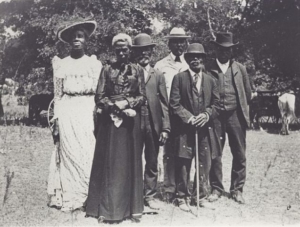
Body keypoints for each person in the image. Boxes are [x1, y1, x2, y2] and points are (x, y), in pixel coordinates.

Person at [85, 33, 146, 224]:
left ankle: (130, 209)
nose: (121, 52)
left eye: (125, 49)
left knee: (129, 163)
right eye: (118, 49)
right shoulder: (106, 70)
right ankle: (107, 210)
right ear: (114, 50)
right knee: (110, 164)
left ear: (130, 50)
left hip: (130, 124)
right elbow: (99, 95)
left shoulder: (137, 70)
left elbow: (142, 96)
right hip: (109, 124)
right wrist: (114, 107)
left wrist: (128, 103)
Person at [47, 20, 103, 211]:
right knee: (68, 151)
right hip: (68, 109)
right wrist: (56, 119)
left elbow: (98, 93)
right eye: (73, 37)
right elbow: (58, 95)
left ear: (86, 40)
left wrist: (97, 112)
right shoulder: (61, 64)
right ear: (69, 42)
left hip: (87, 109)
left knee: (87, 149)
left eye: (80, 36)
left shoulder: (94, 63)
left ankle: (88, 194)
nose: (76, 40)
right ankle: (70, 194)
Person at [169, 43, 221, 211]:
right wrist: (190, 118)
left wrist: (206, 115)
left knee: (203, 163)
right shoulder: (179, 78)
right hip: (184, 130)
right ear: (187, 59)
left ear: (203, 59)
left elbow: (217, 104)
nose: (195, 60)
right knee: (184, 162)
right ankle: (182, 196)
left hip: (205, 130)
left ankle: (200, 196)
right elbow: (174, 104)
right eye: (192, 57)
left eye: (199, 57)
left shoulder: (211, 80)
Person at [208, 32, 252, 204]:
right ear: (216, 49)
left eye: (228, 50)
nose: (225, 53)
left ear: (232, 51)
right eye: (221, 49)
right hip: (216, 116)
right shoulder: (208, 67)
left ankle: (237, 189)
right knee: (215, 153)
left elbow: (247, 94)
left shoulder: (240, 69)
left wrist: (238, 109)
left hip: (235, 116)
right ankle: (216, 188)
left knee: (239, 153)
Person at [131, 33, 170, 210]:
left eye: (147, 50)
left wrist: (165, 128)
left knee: (152, 161)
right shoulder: (129, 71)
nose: (144, 54)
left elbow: (164, 102)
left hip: (153, 123)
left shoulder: (158, 74)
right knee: (133, 159)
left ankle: (150, 195)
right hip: (134, 123)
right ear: (135, 53)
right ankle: (134, 195)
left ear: (151, 52)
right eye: (140, 51)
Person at [154, 27, 190, 202]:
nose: (179, 45)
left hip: (185, 115)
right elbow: (158, 94)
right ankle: (169, 188)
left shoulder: (190, 63)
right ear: (169, 43)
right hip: (167, 115)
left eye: (182, 41)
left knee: (183, 152)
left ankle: (183, 188)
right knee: (168, 152)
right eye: (175, 41)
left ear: (186, 43)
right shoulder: (160, 66)